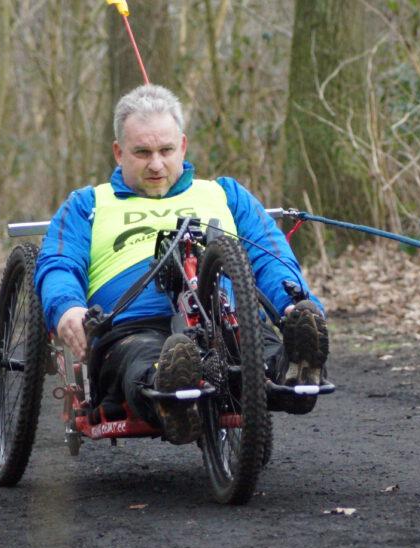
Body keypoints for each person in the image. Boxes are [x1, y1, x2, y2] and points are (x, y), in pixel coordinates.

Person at [35, 84, 328, 444]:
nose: (156, 164)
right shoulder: (88, 204)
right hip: (133, 328)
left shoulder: (225, 194)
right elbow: (59, 263)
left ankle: (294, 371)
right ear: (118, 152)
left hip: (228, 322)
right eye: (142, 152)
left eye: (166, 150)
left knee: (262, 349)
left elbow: (271, 256)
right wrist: (66, 309)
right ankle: (170, 394)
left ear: (183, 146)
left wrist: (295, 306)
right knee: (145, 360)